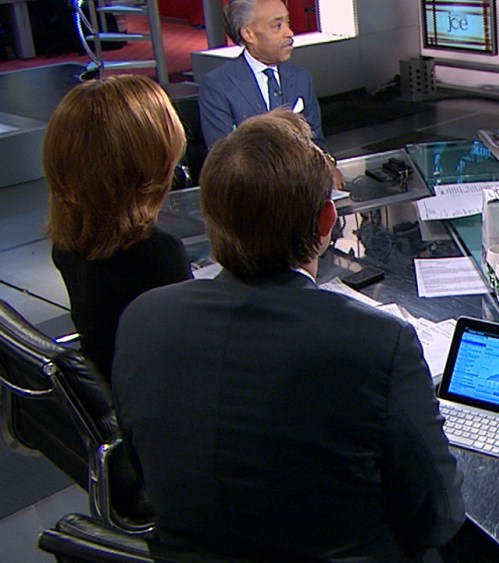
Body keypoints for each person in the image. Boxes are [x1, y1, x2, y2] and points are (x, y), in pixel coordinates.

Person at [112, 110, 465, 561]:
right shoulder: (378, 343)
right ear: (326, 221)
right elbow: (439, 517)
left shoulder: (142, 318)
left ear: (210, 218)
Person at [45, 75, 192, 380]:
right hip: (152, 393)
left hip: (112, 381)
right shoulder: (156, 253)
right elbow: (192, 347)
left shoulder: (70, 238)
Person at [197, 0, 325, 148]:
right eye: (277, 26)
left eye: (287, 23)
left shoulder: (301, 78)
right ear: (248, 34)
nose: (289, 33)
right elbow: (223, 156)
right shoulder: (218, 86)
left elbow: (317, 144)